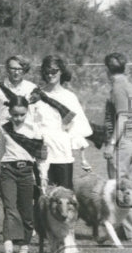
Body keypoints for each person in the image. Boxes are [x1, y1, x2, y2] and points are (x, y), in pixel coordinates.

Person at [0, 96, 46, 253]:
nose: (18, 118)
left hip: (27, 171)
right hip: (8, 170)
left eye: (22, 114)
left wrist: (42, 177)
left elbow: (41, 156)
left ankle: (24, 249)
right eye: (15, 115)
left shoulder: (34, 129)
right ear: (10, 112)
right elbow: (0, 153)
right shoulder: (5, 128)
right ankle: (8, 249)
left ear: (27, 112)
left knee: (27, 211)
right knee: (9, 208)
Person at [31, 55, 92, 191]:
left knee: (65, 194)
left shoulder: (69, 97)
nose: (50, 74)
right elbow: (31, 122)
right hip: (42, 153)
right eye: (47, 71)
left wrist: (82, 157)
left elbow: (80, 126)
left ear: (61, 71)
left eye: (54, 71)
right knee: (43, 195)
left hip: (62, 153)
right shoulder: (36, 95)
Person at [102, 52, 132, 180]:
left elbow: (123, 117)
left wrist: (112, 143)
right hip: (130, 138)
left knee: (116, 186)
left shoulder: (118, 88)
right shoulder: (130, 86)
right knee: (123, 185)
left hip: (121, 141)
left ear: (107, 69)